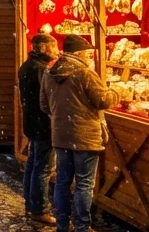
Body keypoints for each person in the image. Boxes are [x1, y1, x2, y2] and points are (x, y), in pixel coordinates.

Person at [41, 33, 117, 232]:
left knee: (63, 181)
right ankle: (83, 227)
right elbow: (103, 101)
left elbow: (44, 104)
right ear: (80, 53)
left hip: (60, 135)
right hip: (85, 137)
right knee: (84, 183)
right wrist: (114, 92)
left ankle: (62, 225)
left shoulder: (49, 72)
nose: (89, 57)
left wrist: (61, 116)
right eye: (88, 54)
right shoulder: (85, 73)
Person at [18, 33, 58, 225]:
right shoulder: (41, 69)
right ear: (43, 48)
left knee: (34, 164)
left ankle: (31, 203)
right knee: (42, 168)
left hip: (32, 122)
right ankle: (39, 209)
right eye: (53, 47)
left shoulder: (27, 66)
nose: (57, 51)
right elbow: (46, 99)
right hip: (43, 123)